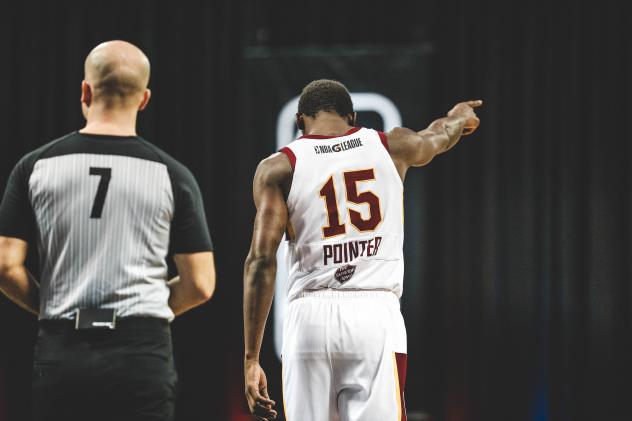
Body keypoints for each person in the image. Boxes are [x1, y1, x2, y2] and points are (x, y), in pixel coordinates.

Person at [0, 40, 215, 421]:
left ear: (85, 90)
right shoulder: (173, 175)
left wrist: (48, 306)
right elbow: (200, 284)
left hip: (63, 349)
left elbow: (5, 266)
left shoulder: (35, 166)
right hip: (141, 353)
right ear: (144, 98)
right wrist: (146, 311)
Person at [243, 79, 482, 420]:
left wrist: (251, 358)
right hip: (373, 314)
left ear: (299, 121)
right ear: (352, 117)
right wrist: (460, 116)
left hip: (308, 318)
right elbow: (439, 135)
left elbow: (261, 261)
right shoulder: (391, 144)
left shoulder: (279, 167)